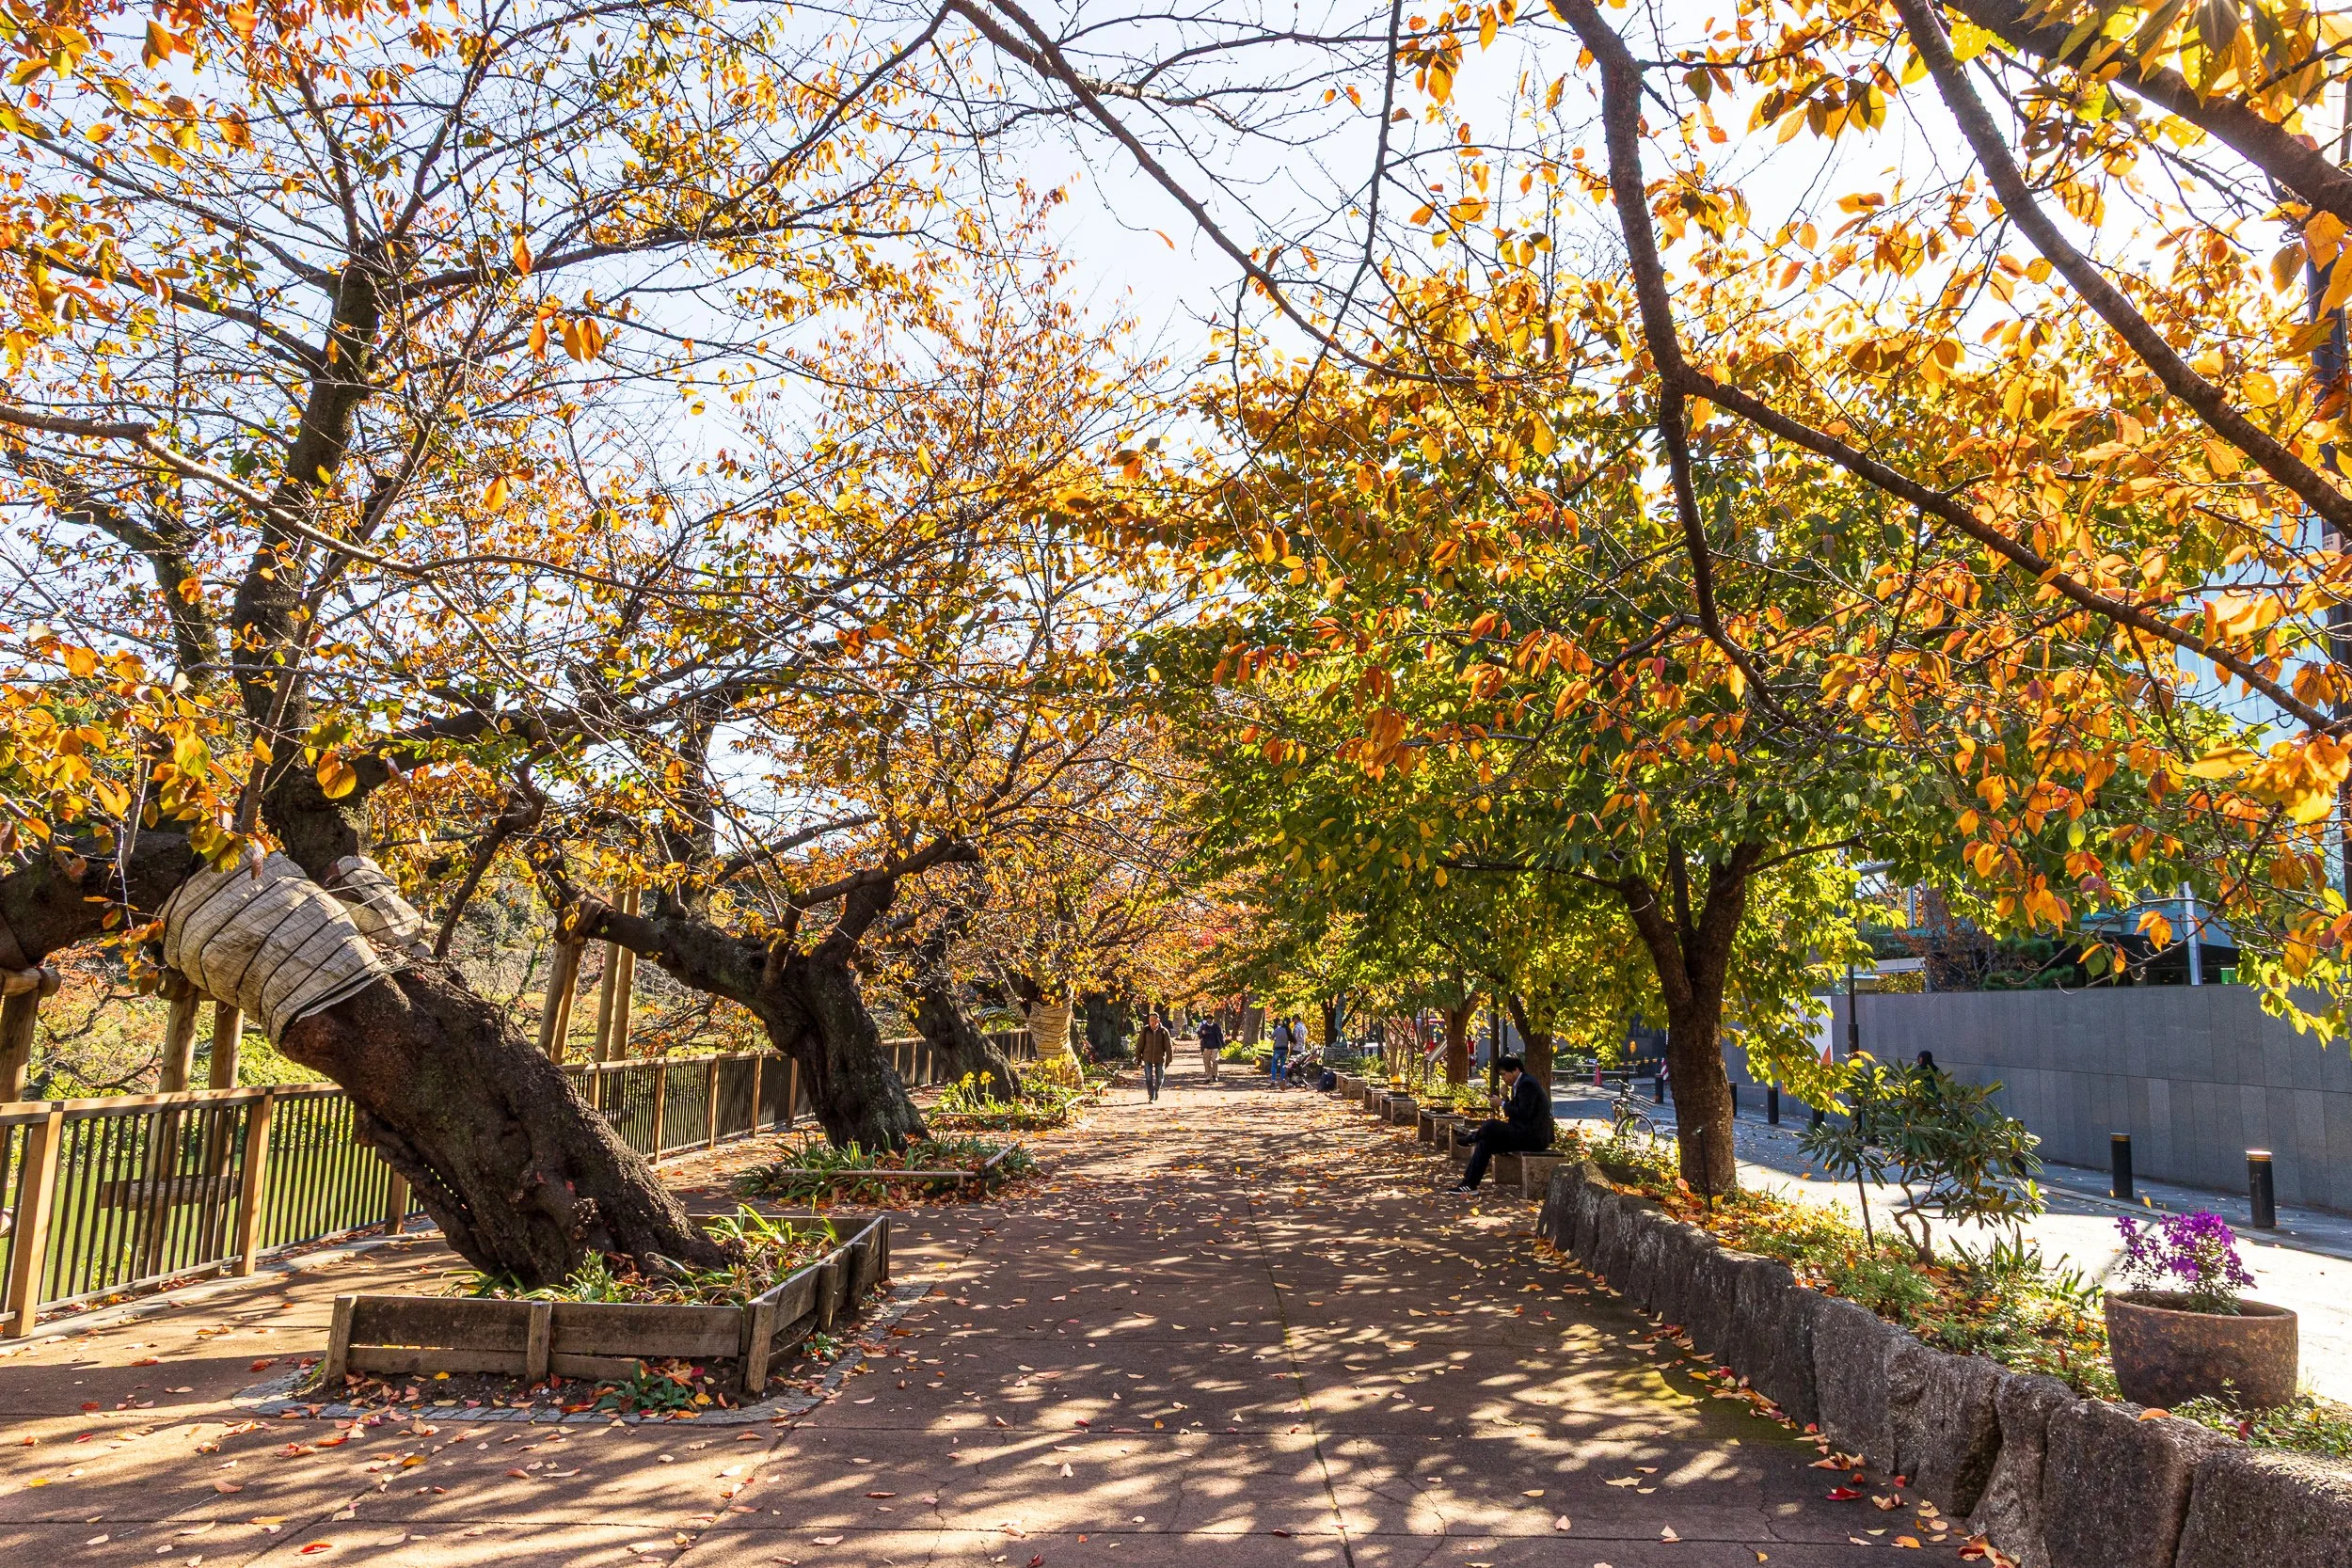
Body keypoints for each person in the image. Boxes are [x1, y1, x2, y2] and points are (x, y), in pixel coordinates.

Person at [1451, 1053, 1554, 1193]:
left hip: (1533, 1137)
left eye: (1504, 1074)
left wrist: (1502, 1103)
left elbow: (1524, 1114)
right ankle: (1469, 1184)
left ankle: (1472, 1138)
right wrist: (1505, 1098)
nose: (1503, 1079)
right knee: (1485, 1142)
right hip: (1522, 1132)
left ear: (1515, 1070)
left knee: (1490, 1125)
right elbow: (1517, 1112)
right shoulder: (1519, 1084)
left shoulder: (1527, 1083)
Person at [1136, 1010, 1174, 1102]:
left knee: (1160, 1078)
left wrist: (1169, 1060)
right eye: (1150, 1020)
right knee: (1148, 1078)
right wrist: (1138, 1058)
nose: (1152, 1022)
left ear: (1158, 1020)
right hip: (1147, 1057)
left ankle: (1155, 1091)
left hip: (1159, 1058)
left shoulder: (1163, 1031)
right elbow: (1140, 1044)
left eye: (1153, 1020)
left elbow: (1168, 1047)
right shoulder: (1146, 1030)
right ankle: (1151, 1096)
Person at [1197, 1015, 1225, 1083]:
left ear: (1212, 1020)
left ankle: (1215, 1075)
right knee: (1206, 1062)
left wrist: (1222, 1044)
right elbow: (1200, 1036)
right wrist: (1202, 1033)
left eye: (1210, 1020)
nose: (1209, 1022)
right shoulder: (1204, 1027)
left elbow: (1220, 1035)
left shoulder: (1216, 1026)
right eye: (1207, 1020)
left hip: (1215, 1046)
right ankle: (1208, 1076)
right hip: (1206, 1047)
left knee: (1215, 1060)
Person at [1269, 1017, 1292, 1086]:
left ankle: (1273, 1080)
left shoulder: (1277, 1029)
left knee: (1274, 1065)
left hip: (1277, 1049)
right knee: (1283, 1065)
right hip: (1284, 1049)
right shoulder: (1288, 1030)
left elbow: (1272, 1037)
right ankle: (1282, 1080)